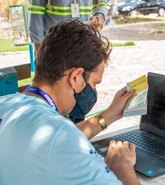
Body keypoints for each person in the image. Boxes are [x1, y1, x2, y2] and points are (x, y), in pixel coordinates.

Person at [0, 20, 141, 185]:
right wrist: (123, 168)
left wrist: (110, 114)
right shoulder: (62, 138)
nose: (94, 91)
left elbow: (55, 140)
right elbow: (63, 140)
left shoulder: (8, 104)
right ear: (75, 77)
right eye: (95, 83)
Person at [29, 0, 108, 53]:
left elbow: (101, 3)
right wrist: (38, 49)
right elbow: (36, 13)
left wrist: (99, 15)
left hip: (84, 44)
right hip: (54, 48)